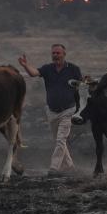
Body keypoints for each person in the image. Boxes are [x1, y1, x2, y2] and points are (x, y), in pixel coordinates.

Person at [18, 44, 82, 176]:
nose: (55, 55)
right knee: (59, 141)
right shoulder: (48, 69)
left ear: (64, 54)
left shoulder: (74, 69)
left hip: (68, 110)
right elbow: (34, 73)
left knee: (60, 140)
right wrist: (25, 65)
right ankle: (70, 167)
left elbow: (81, 85)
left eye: (58, 53)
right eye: (53, 53)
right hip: (52, 111)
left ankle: (54, 168)